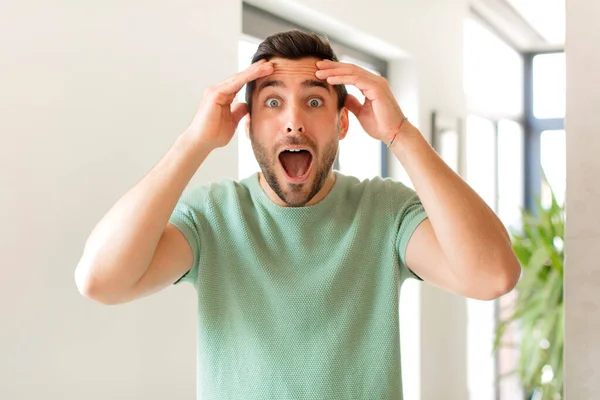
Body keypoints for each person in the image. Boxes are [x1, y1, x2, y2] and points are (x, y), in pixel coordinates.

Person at [75, 30, 521, 399]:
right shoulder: (212, 216)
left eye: (313, 102)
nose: (293, 123)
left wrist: (400, 133)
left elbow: (492, 276)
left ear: (342, 122)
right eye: (272, 103)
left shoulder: (384, 211)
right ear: (248, 123)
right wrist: (194, 141)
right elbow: (100, 280)